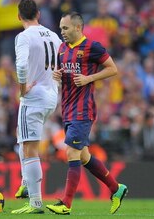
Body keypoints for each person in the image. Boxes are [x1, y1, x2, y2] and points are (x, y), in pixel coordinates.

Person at [45, 12, 127, 215]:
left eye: (65, 28)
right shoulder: (62, 49)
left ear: (78, 28)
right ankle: (117, 189)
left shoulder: (92, 47)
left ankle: (66, 203)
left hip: (83, 109)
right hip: (67, 109)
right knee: (83, 157)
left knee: (71, 153)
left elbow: (112, 69)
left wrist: (89, 78)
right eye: (61, 28)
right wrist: (58, 74)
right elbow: (65, 74)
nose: (62, 32)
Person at [11, 0, 62, 214]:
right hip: (51, 96)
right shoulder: (54, 36)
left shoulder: (23, 37)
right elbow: (63, 64)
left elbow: (21, 65)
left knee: (29, 147)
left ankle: (35, 202)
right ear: (38, 14)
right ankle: (26, 181)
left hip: (33, 97)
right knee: (22, 138)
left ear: (19, 17)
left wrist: (22, 88)